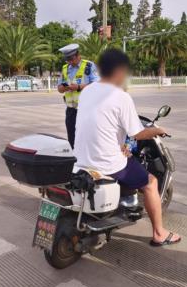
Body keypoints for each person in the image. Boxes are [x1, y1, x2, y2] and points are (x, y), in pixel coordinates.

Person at [74, 48, 181, 246]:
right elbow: (137, 133)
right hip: (107, 163)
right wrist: (157, 130)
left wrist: (121, 143)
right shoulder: (120, 96)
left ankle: (124, 200)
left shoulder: (87, 91)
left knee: (127, 157)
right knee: (150, 182)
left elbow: (102, 123)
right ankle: (159, 233)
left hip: (81, 159)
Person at [57, 44, 99, 148]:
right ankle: (75, 157)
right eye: (67, 60)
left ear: (78, 55)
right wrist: (65, 87)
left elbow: (97, 85)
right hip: (71, 111)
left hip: (86, 109)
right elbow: (59, 89)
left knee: (87, 139)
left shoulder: (89, 66)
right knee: (72, 139)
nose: (70, 62)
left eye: (71, 59)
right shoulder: (65, 68)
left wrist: (79, 87)